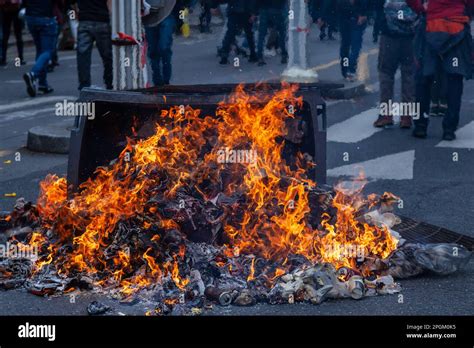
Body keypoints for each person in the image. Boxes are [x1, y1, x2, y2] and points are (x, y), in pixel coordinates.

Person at [407, 0, 474, 140]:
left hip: (431, 28)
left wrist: (421, 8)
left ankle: (421, 125)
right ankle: (449, 128)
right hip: (457, 29)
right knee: (454, 80)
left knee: (424, 79)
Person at [373, 0, 418, 129]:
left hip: (389, 35)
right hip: (410, 36)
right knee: (409, 76)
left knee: (386, 74)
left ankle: (386, 115)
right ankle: (407, 116)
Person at [70, 0, 112, 90]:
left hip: (84, 20)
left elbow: (71, 4)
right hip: (102, 19)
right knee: (107, 56)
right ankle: (110, 83)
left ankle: (84, 85)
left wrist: (76, 16)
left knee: (83, 56)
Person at [22, 0, 59, 97]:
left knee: (40, 50)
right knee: (48, 51)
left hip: (31, 18)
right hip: (46, 17)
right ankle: (33, 74)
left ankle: (43, 84)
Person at [144, 1, 185, 86]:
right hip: (149, 16)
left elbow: (182, 4)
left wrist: (181, 20)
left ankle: (166, 80)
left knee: (164, 47)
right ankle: (157, 80)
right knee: (153, 51)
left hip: (167, 14)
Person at [336, 0, 369, 82]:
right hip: (351, 20)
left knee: (349, 47)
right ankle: (348, 69)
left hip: (350, 20)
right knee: (351, 47)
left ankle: (348, 69)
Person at [218, 0, 257, 65]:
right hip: (245, 11)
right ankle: (253, 54)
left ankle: (224, 55)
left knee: (230, 33)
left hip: (235, 11)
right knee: (249, 34)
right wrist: (253, 13)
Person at [256, 0, 287, 66]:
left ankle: (259, 57)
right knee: (281, 32)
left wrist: (256, 10)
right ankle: (284, 54)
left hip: (264, 9)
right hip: (277, 9)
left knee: (261, 35)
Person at [0, 0, 24, 66]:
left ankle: (4, 59)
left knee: (8, 35)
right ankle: (19, 59)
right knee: (14, 35)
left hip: (8, 9)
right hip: (8, 9)